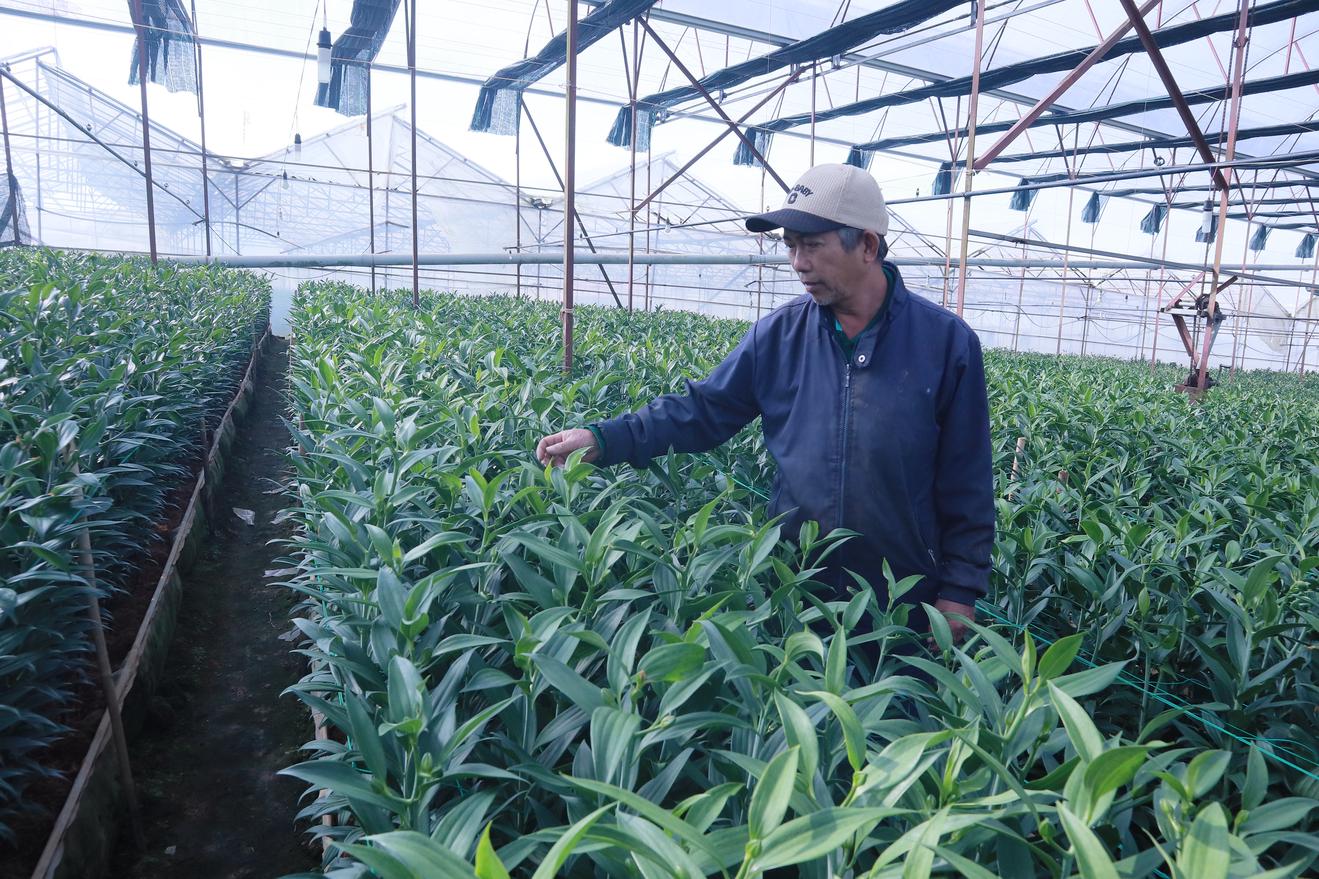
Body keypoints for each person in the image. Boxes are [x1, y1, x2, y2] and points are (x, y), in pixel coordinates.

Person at [535, 163, 993, 644]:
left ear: (867, 245)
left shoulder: (945, 344)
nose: (798, 262)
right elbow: (703, 410)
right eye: (790, 246)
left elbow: (967, 480)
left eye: (811, 245)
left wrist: (960, 591)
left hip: (902, 603)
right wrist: (605, 438)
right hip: (795, 588)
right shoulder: (779, 335)